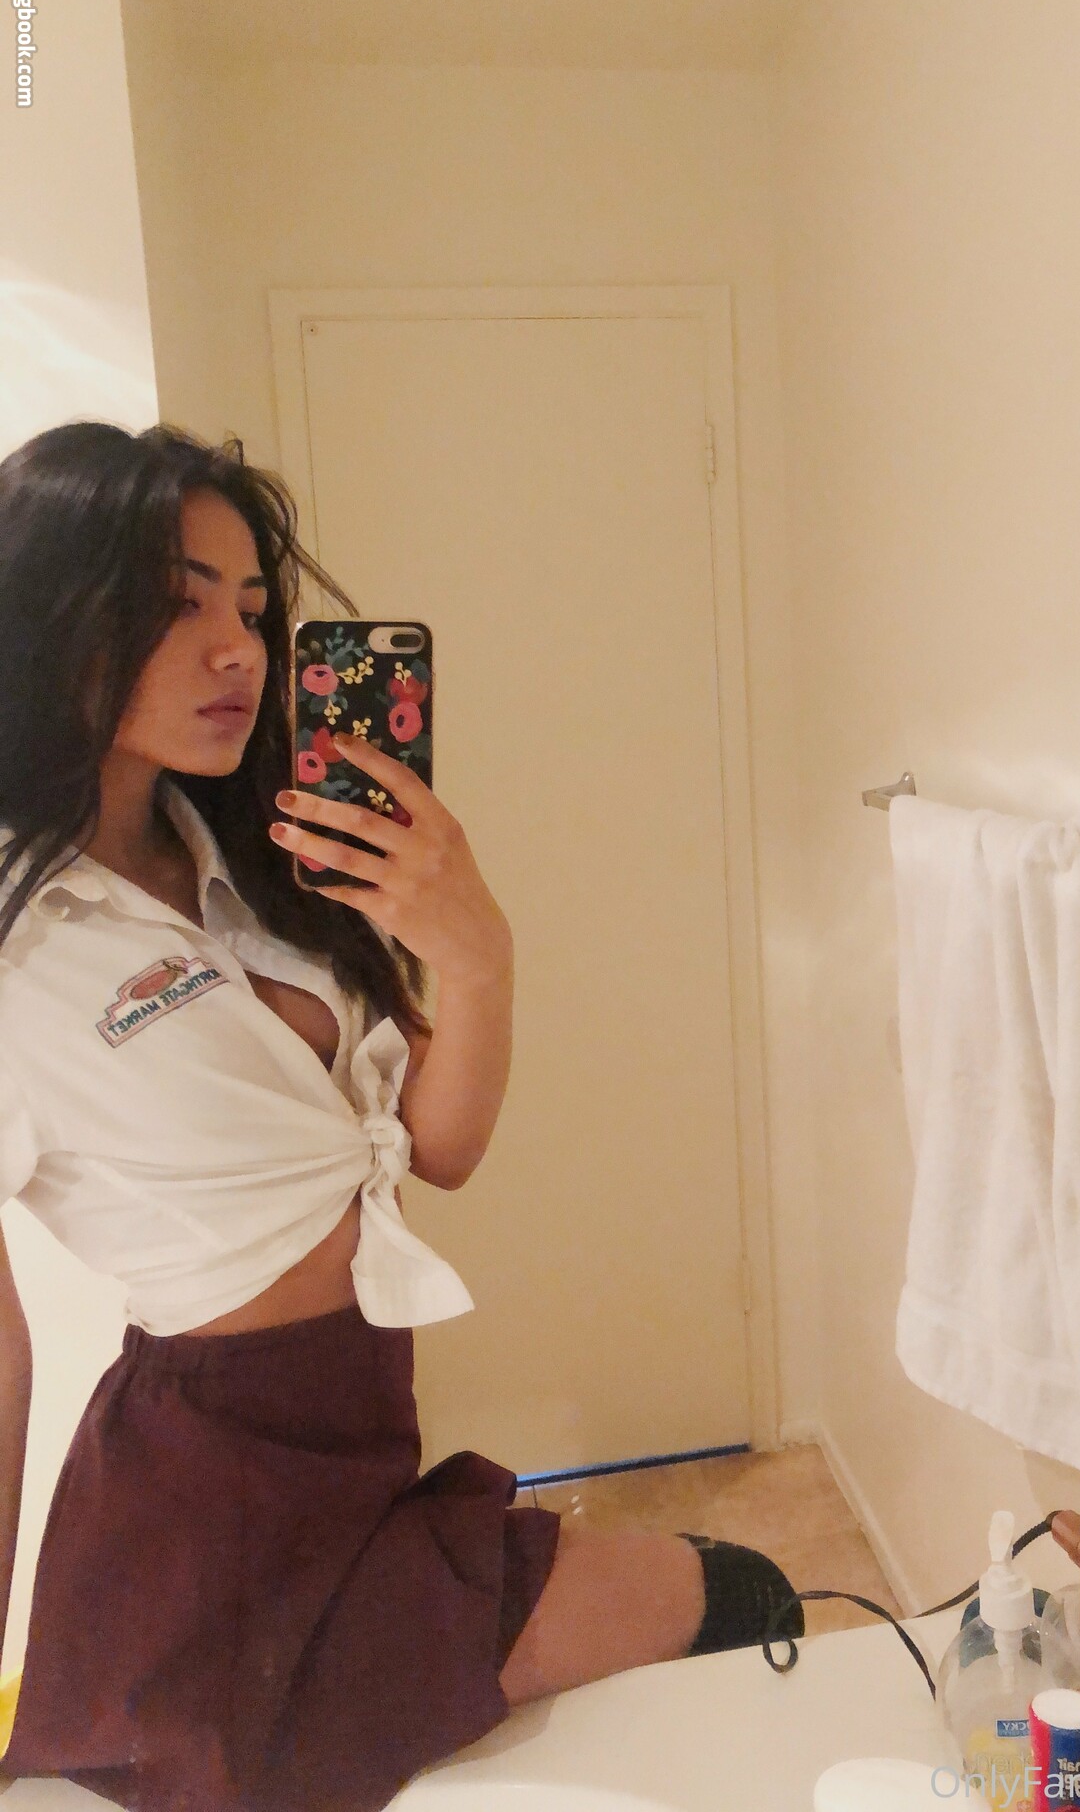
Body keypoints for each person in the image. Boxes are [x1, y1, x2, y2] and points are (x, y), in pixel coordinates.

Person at [0, 420, 803, 1812]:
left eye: (254, 609)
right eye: (181, 604)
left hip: (362, 1461)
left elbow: (440, 1148)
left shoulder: (263, 856)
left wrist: (477, 949)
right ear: (53, 614)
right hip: (200, 1514)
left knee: (738, 1594)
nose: (239, 651)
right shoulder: (18, 943)